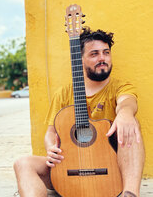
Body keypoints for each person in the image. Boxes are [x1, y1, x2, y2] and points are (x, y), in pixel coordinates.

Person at [13, 28, 145, 197]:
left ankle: (130, 193)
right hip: (69, 169)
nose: (102, 58)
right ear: (80, 59)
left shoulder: (120, 87)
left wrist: (126, 113)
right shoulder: (63, 93)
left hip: (109, 170)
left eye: (106, 52)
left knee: (130, 127)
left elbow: (127, 101)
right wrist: (52, 148)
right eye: (94, 54)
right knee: (22, 163)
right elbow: (51, 132)